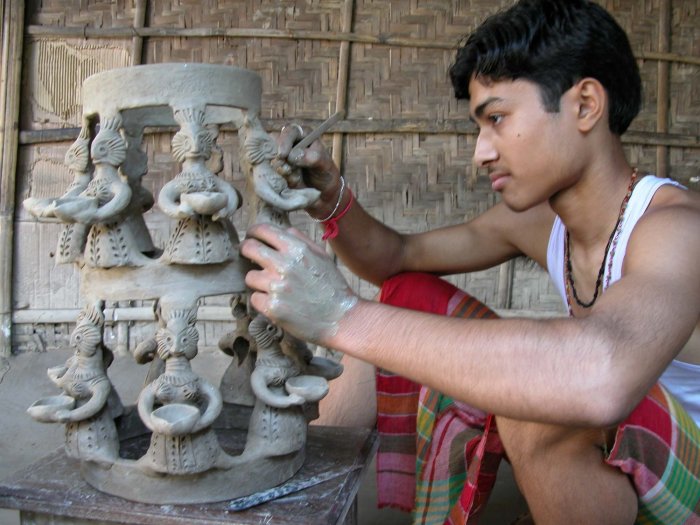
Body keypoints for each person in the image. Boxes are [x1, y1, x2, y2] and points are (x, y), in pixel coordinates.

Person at [241, 0, 700, 523]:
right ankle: (303, 508)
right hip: (625, 450)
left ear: (585, 105)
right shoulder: (536, 223)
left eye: (497, 119)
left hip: (691, 480)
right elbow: (396, 258)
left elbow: (602, 374)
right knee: (407, 297)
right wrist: (332, 199)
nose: (480, 152)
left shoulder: (678, 228)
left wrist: (342, 317)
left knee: (539, 403)